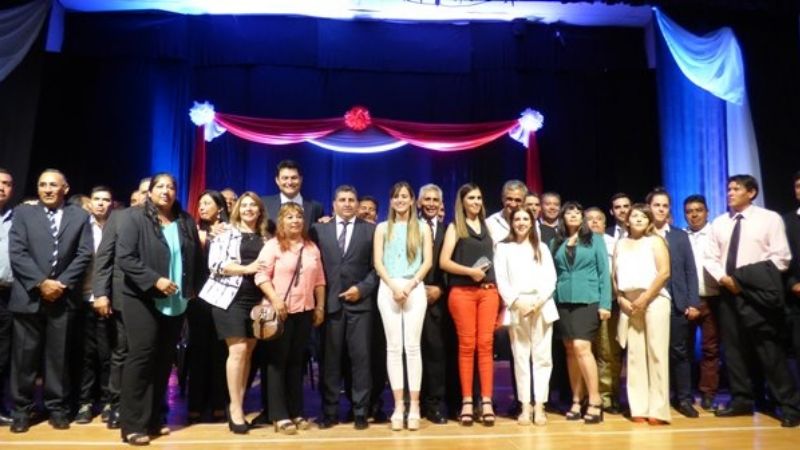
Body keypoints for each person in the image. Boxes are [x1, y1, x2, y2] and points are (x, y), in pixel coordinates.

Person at [704, 174, 800, 428]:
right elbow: (710, 258)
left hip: (758, 293)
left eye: (736, 189)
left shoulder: (770, 219)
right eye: (728, 189)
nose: (730, 193)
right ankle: (742, 400)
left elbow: (781, 258)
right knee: (733, 350)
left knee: (770, 351)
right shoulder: (720, 223)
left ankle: (788, 405)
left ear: (752, 192)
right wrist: (726, 280)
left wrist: (745, 280)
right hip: (728, 292)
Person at [116, 173, 203, 445]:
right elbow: (125, 258)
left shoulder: (185, 220)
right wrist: (155, 280)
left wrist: (194, 288)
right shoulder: (133, 217)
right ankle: (132, 424)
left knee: (164, 360)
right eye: (160, 186)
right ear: (150, 192)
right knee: (142, 358)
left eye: (171, 187)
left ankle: (154, 418)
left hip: (176, 301)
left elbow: (195, 257)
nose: (166, 191)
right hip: (142, 297)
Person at [8, 169, 93, 433]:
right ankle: (21, 410)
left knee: (58, 358)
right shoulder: (23, 213)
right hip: (29, 296)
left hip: (63, 298)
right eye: (42, 184)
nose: (47, 189)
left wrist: (61, 283)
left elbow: (84, 253)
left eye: (53, 185)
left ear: (65, 189)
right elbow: (17, 252)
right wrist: (41, 282)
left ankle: (57, 408)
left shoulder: (79, 216)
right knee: (24, 358)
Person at [311, 185, 378, 430]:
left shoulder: (371, 230)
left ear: (357, 204)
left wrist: (362, 288)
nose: (347, 204)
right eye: (342, 200)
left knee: (361, 360)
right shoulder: (318, 229)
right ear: (334, 204)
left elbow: (377, 268)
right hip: (329, 306)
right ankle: (329, 411)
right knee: (330, 362)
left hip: (361, 305)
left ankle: (360, 410)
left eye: (351, 200)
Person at [255, 202, 326, 435]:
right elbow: (261, 276)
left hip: (305, 311)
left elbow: (320, 280)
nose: (295, 221)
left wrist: (320, 307)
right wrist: (275, 299)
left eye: (298, 217)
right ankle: (279, 415)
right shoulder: (273, 246)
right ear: (281, 221)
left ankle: (296, 411)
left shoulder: (311, 247)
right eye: (289, 217)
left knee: (296, 363)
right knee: (277, 363)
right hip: (280, 312)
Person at [206, 192, 269, 434]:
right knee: (238, 350)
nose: (249, 209)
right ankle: (234, 408)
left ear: (260, 210)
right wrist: (246, 268)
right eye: (244, 205)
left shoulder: (267, 236)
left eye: (253, 205)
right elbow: (215, 265)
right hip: (229, 299)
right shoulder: (224, 233)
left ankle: (239, 403)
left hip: (258, 300)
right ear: (237, 210)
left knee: (249, 351)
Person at [373, 182, 432, 430]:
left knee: (412, 347)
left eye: (404, 196)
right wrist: (393, 286)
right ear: (391, 200)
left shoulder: (422, 228)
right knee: (394, 348)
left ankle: (414, 405)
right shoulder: (382, 228)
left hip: (413, 287)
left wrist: (409, 286)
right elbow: (378, 262)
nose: (400, 200)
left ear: (412, 200)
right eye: (396, 196)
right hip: (388, 288)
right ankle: (398, 405)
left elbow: (427, 261)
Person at [439, 183, 499, 427]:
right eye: (471, 198)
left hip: (488, 292)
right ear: (462, 201)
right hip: (462, 292)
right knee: (466, 346)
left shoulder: (488, 227)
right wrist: (470, 272)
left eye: (479, 198)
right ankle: (466, 401)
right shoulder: (455, 227)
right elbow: (444, 262)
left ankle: (486, 401)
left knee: (485, 345)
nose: (476, 202)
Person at [494, 207, 557, 426]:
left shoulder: (541, 247)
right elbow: (501, 280)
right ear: (511, 223)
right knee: (520, 357)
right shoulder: (503, 248)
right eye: (517, 219)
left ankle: (539, 405)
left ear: (532, 222)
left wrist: (538, 302)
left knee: (542, 357)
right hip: (518, 306)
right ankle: (525, 406)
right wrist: (517, 302)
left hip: (541, 305)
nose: (521, 222)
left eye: (525, 219)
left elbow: (551, 278)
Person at [550, 201, 610, 424]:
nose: (574, 215)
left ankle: (595, 400)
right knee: (569, 349)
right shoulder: (555, 242)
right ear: (563, 217)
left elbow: (604, 272)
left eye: (578, 212)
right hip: (563, 300)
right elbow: (552, 273)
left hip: (588, 299)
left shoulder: (595, 239)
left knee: (581, 347)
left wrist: (605, 304)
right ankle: (577, 399)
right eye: (569, 212)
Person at [613, 203, 671, 425]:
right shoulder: (620, 243)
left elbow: (664, 272)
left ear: (649, 221)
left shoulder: (655, 241)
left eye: (643, 216)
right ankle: (639, 407)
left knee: (656, 353)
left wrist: (645, 298)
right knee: (635, 356)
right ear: (627, 220)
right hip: (629, 302)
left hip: (654, 299)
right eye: (634, 216)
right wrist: (621, 298)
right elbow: (614, 276)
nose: (638, 219)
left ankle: (658, 409)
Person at [647, 188, 700, 418]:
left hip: (677, 303)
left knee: (680, 352)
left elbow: (690, 270)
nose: (660, 209)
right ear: (648, 208)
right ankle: (657, 398)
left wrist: (693, 302)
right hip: (650, 303)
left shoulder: (679, 236)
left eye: (664, 205)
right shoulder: (641, 236)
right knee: (653, 352)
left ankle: (684, 399)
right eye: (656, 205)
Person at [186, 190, 229, 424]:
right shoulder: (192, 231)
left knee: (220, 350)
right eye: (200, 203)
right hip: (198, 297)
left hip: (223, 296)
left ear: (220, 208)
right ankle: (195, 403)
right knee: (198, 350)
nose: (201, 207)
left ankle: (218, 402)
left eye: (207, 203)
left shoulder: (230, 231)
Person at [74, 186, 115, 425]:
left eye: (106, 199)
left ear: (112, 204)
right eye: (97, 199)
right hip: (81, 299)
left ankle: (108, 401)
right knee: (85, 355)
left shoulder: (117, 227)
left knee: (107, 354)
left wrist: (105, 294)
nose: (100, 203)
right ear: (89, 203)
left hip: (107, 299)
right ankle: (85, 402)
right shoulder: (81, 226)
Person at [417, 183, 452, 424]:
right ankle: (413, 403)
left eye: (435, 200)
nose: (430, 203)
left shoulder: (448, 230)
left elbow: (453, 261)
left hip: (439, 300)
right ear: (419, 203)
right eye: (426, 199)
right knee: (411, 352)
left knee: (435, 354)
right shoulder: (408, 227)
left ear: (441, 204)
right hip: (410, 295)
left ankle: (434, 404)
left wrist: (441, 288)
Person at [684, 194, 721, 411]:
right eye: (689, 211)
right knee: (684, 349)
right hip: (688, 299)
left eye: (698, 210)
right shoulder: (680, 236)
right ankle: (685, 393)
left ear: (707, 212)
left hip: (713, 298)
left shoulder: (716, 233)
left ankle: (708, 392)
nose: (694, 215)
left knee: (710, 349)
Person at [584, 207, 623, 414]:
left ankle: (608, 396)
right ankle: (588, 396)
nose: (594, 222)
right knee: (585, 352)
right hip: (584, 304)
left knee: (608, 352)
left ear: (605, 222)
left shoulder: (614, 243)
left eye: (598, 219)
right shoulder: (579, 243)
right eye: (589, 219)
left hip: (609, 303)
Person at [262, 160, 324, 233]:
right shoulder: (264, 204)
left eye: (294, 178)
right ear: (277, 180)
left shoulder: (316, 207)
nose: (289, 182)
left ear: (300, 179)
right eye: (285, 178)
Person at [0, 168, 13, 426]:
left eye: (7, 183)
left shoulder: (18, 217)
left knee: (2, 354)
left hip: (6, 294)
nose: (1, 187)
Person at [783, 171, 800, 372]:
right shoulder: (786, 222)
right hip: (796, 298)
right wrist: (792, 283)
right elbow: (780, 257)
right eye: (797, 186)